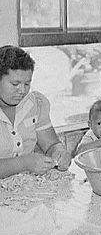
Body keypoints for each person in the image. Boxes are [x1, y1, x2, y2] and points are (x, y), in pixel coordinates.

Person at [0, 45, 71, 179]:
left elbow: (51, 144)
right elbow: (26, 163)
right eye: (15, 84)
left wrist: (59, 153)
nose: (22, 90)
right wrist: (25, 163)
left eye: (27, 84)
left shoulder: (34, 104)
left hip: (26, 190)